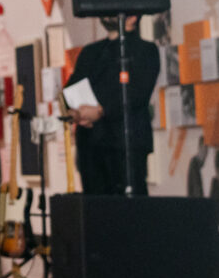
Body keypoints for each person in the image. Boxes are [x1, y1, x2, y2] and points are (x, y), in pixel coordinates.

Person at [63, 14, 159, 196]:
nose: (107, 14)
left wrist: (100, 111)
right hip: (91, 146)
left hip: (124, 146)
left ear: (132, 18)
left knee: (128, 212)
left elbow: (137, 93)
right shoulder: (91, 52)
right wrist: (76, 112)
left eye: (114, 11)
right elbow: (70, 89)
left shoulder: (145, 51)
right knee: (95, 213)